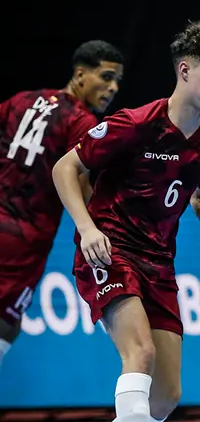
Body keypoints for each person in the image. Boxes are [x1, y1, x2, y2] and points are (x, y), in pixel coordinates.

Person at [52, 20, 200, 422]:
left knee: (168, 394)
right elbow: (64, 170)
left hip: (159, 259)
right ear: (185, 71)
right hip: (108, 248)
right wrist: (87, 227)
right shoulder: (135, 124)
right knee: (138, 353)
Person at [0, 40, 124, 368]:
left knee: (10, 325)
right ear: (80, 74)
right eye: (106, 77)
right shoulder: (81, 122)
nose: (112, 88)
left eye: (117, 82)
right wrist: (100, 226)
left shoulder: (20, 101)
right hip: (23, 241)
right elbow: (81, 186)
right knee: (4, 323)